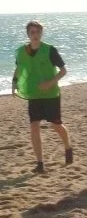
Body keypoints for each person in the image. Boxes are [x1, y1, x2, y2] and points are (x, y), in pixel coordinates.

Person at [12, 20, 73, 173]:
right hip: (33, 94)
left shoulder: (50, 50)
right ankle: (40, 163)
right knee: (34, 127)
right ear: (28, 34)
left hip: (51, 94)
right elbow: (19, 67)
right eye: (32, 32)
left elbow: (63, 70)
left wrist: (50, 83)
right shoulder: (21, 51)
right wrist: (14, 82)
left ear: (41, 33)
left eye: (38, 32)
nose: (35, 35)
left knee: (56, 125)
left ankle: (68, 147)